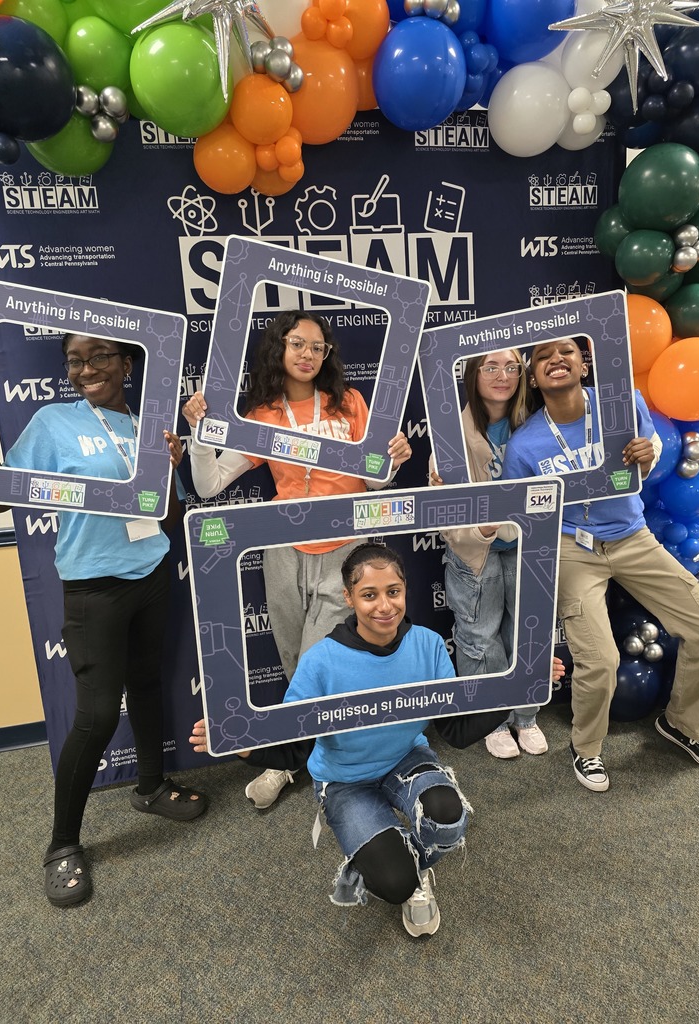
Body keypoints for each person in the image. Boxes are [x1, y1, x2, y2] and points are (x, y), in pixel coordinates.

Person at [191, 542, 520, 937]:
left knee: (448, 817)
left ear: (405, 591)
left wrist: (520, 693)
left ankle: (414, 860)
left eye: (393, 592)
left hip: (405, 758)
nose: (384, 606)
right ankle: (406, 869)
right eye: (369, 595)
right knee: (396, 883)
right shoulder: (320, 661)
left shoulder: (428, 645)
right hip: (345, 780)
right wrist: (246, 745)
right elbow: (298, 745)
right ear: (348, 598)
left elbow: (456, 731)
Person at [0, 332, 207, 908]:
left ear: (126, 363)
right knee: (98, 714)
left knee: (149, 683)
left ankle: (152, 785)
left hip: (152, 574)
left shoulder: (148, 421)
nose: (86, 369)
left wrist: (173, 465)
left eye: (99, 357)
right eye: (75, 361)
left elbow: (170, 513)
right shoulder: (54, 422)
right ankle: (62, 845)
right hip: (92, 585)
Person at [182, 311, 412, 810]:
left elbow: (376, 483)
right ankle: (306, 752)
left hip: (346, 547)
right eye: (297, 344)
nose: (308, 354)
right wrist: (200, 436)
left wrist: (391, 457)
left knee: (316, 662)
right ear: (279, 350)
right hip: (282, 546)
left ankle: (285, 761)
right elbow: (208, 485)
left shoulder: (349, 402)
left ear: (327, 354)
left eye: (317, 347)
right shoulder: (262, 412)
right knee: (291, 659)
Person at [501, 336, 699, 791]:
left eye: (565, 352)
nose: (556, 360)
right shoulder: (524, 446)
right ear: (532, 377)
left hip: (633, 536)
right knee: (601, 659)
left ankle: (685, 725)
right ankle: (586, 749)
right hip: (574, 547)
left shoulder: (622, 404)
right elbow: (518, 520)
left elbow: (642, 461)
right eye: (543, 356)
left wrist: (648, 456)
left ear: (583, 365)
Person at [430, 348, 549, 759]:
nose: (502, 375)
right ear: (473, 374)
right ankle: (493, 718)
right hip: (474, 553)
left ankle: (526, 715)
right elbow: (442, 509)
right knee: (479, 638)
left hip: (526, 546)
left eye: (512, 367)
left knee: (527, 631)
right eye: (491, 366)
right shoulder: (452, 431)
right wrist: (479, 528)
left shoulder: (537, 424)